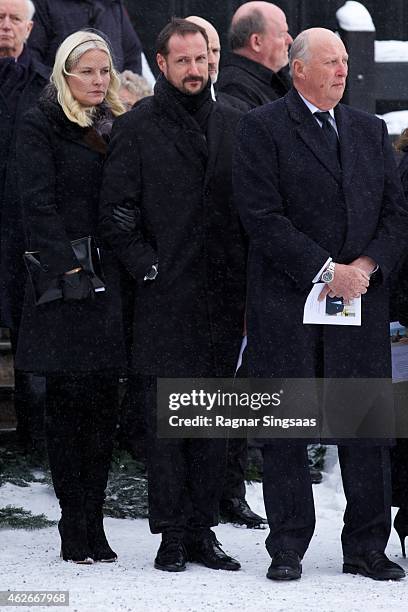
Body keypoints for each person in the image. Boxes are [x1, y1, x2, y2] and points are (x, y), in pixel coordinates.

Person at [234, 27, 408, 581]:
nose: (341, 70)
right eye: (330, 62)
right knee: (287, 430)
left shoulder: (369, 129)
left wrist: (364, 268)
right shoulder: (261, 129)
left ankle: (366, 548)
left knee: (365, 430)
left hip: (359, 305)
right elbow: (260, 216)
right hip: (287, 306)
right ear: (298, 69)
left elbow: (396, 214)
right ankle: (287, 546)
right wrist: (324, 270)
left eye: (345, 61)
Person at [99, 18, 246, 573]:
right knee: (168, 419)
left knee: (212, 418)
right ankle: (171, 535)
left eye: (201, 60)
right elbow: (116, 213)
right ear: (160, 64)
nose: (193, 70)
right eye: (181, 61)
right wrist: (149, 269)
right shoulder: (136, 127)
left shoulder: (235, 123)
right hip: (163, 299)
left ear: (212, 62)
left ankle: (203, 529)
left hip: (222, 299)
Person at [15, 30, 126, 563]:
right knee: (68, 408)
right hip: (64, 289)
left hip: (110, 289)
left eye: (105, 71)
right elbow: (36, 206)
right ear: (64, 74)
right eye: (88, 72)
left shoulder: (118, 125)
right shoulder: (40, 123)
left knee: (103, 408)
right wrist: (72, 267)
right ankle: (71, 519)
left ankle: (95, 521)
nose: (98, 81)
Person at [185, 14, 266, 530]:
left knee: (233, 387)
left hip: (234, 274)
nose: (208, 60)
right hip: (182, 277)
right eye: (196, 52)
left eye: (212, 49)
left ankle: (229, 488)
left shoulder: (235, 113)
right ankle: (190, 495)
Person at [0, 0, 49, 456]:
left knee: (28, 333)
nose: (5, 25)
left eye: (14, 17)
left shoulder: (45, 83)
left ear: (30, 27)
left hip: (22, 232)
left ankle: (34, 439)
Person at [27, 0, 142, 74]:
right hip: (62, 102)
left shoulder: (113, 5)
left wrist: (122, 89)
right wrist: (62, 87)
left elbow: (132, 54)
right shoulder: (44, 4)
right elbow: (33, 58)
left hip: (111, 102)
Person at [217, 1, 292, 109]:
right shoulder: (236, 87)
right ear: (256, 42)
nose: (290, 40)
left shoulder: (278, 79)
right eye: (282, 34)